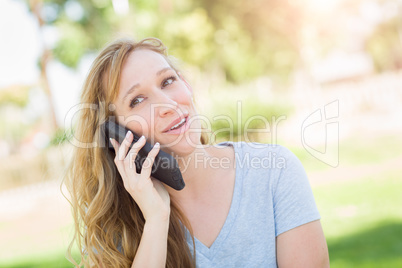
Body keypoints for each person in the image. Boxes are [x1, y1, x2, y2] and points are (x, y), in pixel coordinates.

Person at [64, 37, 330, 268]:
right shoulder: (116, 230)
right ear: (116, 136)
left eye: (168, 81)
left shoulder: (274, 171)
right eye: (138, 100)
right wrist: (156, 220)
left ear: (187, 86)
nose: (167, 104)